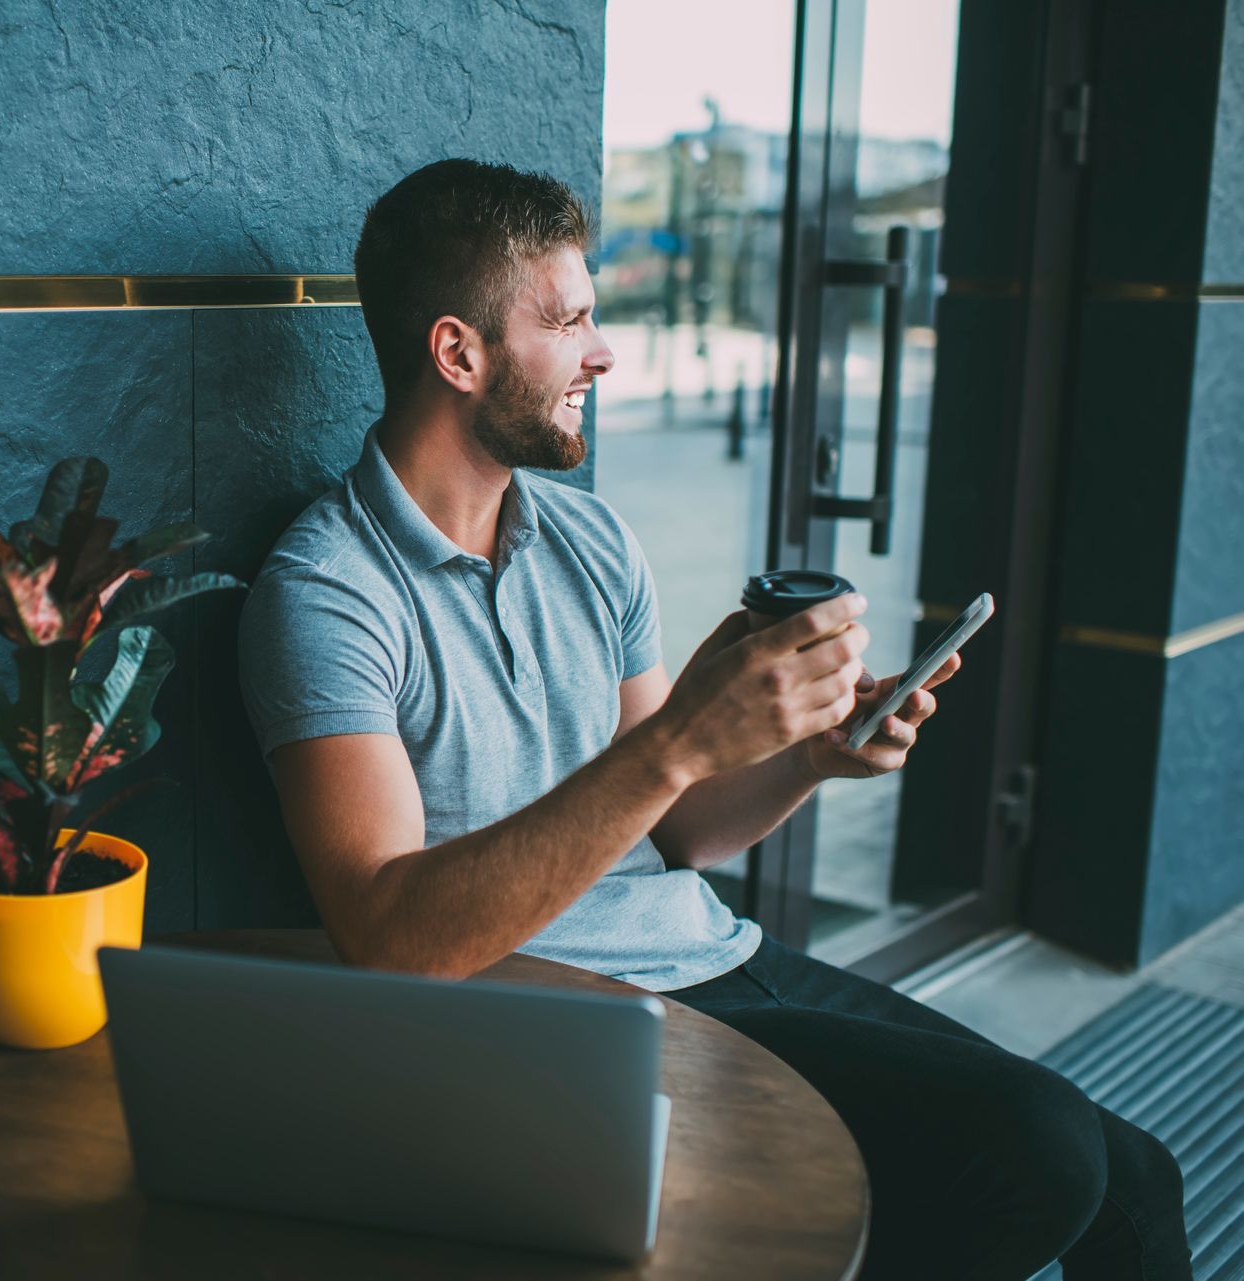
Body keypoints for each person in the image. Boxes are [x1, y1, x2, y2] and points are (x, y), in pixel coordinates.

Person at [237, 158, 1190, 1281]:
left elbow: (681, 833)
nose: (602, 352)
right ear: (459, 352)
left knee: (1136, 1177)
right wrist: (682, 735)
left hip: (714, 954)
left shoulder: (590, 544)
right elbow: (393, 941)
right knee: (1035, 1152)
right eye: (572, 320)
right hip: (559, 1018)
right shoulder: (327, 592)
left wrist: (811, 758)